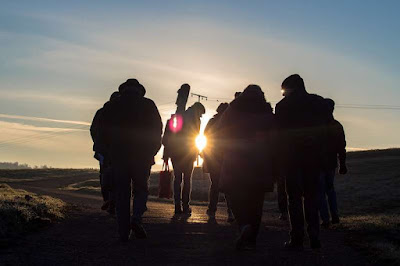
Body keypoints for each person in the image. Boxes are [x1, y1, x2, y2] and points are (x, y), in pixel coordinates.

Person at [101, 79, 162, 242]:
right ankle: (136, 217)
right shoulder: (148, 105)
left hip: (118, 156)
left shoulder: (112, 105)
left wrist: (106, 152)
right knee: (141, 189)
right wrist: (152, 151)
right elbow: (157, 130)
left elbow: (99, 130)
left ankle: (123, 232)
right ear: (140, 90)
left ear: (123, 90)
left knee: (122, 192)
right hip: (142, 156)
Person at [275, 74, 331, 250]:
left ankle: (297, 237)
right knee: (311, 197)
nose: (283, 94)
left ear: (289, 88)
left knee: (294, 199)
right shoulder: (319, 102)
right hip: (313, 158)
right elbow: (327, 130)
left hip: (291, 158)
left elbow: (278, 135)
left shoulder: (282, 106)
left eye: (284, 90)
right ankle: (314, 235)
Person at [218, 85, 275, 250]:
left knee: (234, 195)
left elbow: (220, 133)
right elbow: (275, 137)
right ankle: (252, 239)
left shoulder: (231, 111)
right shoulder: (267, 114)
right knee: (256, 201)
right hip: (260, 161)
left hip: (235, 159)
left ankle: (243, 225)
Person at [164, 102, 205, 215]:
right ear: (198, 110)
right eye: (201, 114)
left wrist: (166, 152)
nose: (201, 117)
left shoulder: (180, 115)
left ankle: (177, 205)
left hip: (176, 152)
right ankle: (185, 206)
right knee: (187, 180)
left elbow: (170, 133)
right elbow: (194, 136)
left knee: (177, 179)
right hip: (188, 153)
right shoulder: (196, 120)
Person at [203, 103, 234, 222]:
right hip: (227, 158)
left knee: (215, 185)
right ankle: (231, 212)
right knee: (228, 186)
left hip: (212, 157)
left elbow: (206, 136)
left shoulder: (212, 122)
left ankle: (212, 210)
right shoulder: (229, 123)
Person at [319, 98, 347, 228]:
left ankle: (325, 219)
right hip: (331, 163)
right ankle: (334, 215)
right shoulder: (337, 125)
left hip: (318, 163)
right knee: (330, 190)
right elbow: (341, 147)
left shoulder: (317, 125)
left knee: (320, 192)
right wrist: (342, 164)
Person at [90, 91, 120, 213]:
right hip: (113, 150)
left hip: (104, 150)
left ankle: (109, 199)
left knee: (105, 174)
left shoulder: (101, 112)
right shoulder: (121, 113)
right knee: (112, 175)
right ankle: (111, 200)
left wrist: (98, 143)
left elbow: (93, 130)